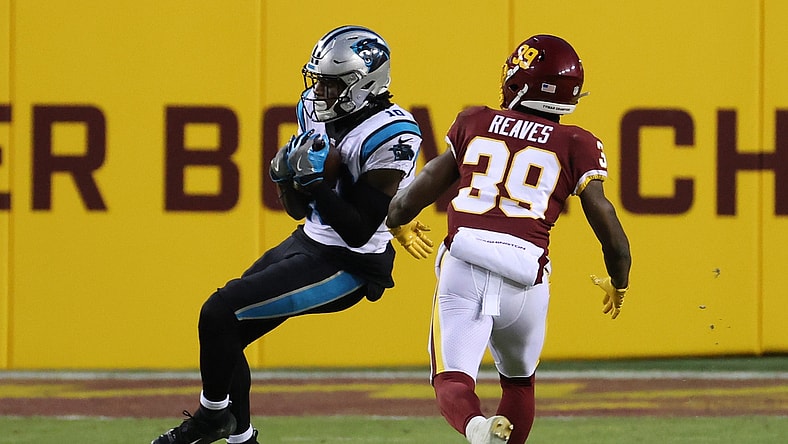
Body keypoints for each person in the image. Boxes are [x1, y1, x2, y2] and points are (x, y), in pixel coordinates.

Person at [151, 25, 432, 444]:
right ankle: (241, 438)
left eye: (333, 84)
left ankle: (213, 418)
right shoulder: (313, 109)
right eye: (319, 80)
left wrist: (315, 182)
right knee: (226, 334)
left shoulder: (393, 135)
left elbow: (357, 230)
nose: (321, 91)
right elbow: (299, 210)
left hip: (350, 264)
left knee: (219, 313)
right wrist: (288, 181)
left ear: (365, 83)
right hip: (310, 241)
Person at [386, 34, 632, 444]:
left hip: (465, 261)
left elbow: (426, 182)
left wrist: (399, 220)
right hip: (527, 273)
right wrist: (619, 278)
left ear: (522, 81)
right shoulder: (577, 142)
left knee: (451, 377)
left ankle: (477, 428)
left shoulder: (475, 120)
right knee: (520, 385)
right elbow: (603, 215)